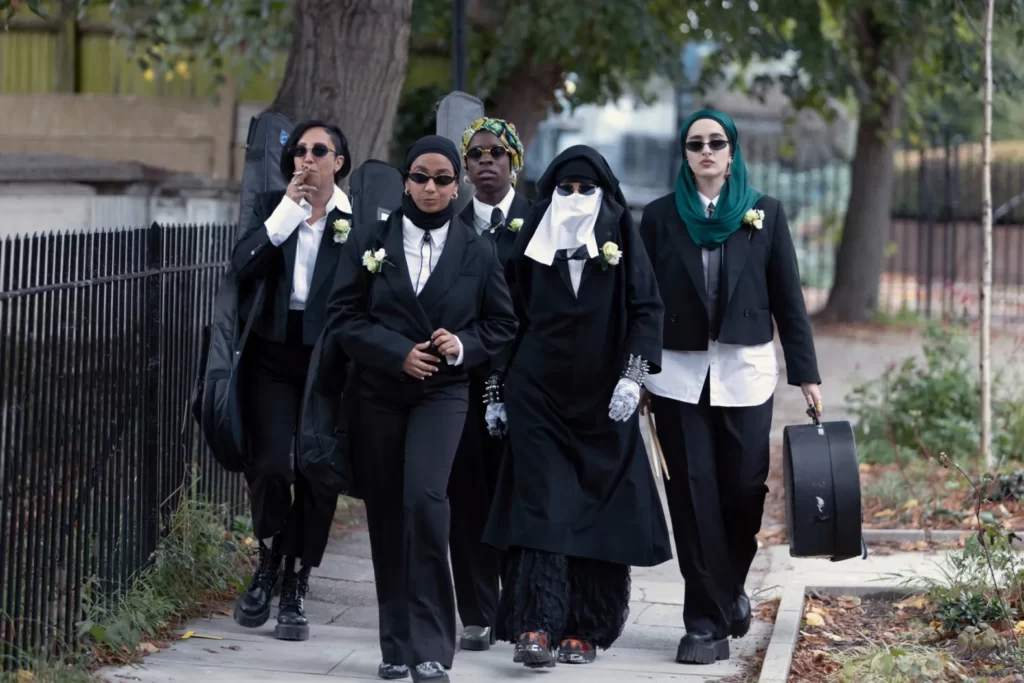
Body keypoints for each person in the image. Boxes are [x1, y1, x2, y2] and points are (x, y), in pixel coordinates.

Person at [325, 135, 518, 682]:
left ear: (457, 186)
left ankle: (432, 645)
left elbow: (501, 324)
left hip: (443, 394)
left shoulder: (476, 249)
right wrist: (396, 354)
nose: (430, 188)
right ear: (406, 181)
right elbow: (343, 317)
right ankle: (396, 644)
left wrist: (461, 346)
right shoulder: (371, 239)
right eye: (420, 177)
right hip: (379, 394)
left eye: (441, 179)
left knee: (427, 502)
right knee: (388, 512)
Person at [637, 109, 822, 665]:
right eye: (696, 143)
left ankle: (729, 588)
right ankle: (703, 623)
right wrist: (637, 371)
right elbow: (641, 301)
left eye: (716, 142)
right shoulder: (659, 216)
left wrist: (806, 373)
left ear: (732, 152)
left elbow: (788, 296)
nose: (706, 151)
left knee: (743, 490)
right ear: (685, 154)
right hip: (677, 375)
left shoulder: (766, 212)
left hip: (746, 373)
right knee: (691, 496)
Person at [481, 145, 672, 669]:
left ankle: (585, 627)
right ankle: (535, 624)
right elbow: (506, 315)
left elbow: (646, 307)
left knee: (598, 510)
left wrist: (633, 376)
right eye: (565, 189)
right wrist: (496, 390)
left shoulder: (621, 235)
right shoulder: (530, 239)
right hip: (538, 393)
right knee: (541, 503)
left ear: (605, 194)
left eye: (587, 189)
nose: (575, 197)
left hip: (604, 398)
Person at [229, 120, 354, 641]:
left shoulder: (356, 221)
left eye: (319, 150)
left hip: (328, 360)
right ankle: (269, 560)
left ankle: (297, 582)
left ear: (338, 162)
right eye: (300, 150)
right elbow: (243, 266)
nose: (307, 158)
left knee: (317, 470)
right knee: (270, 465)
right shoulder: (270, 207)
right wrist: (287, 211)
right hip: (273, 354)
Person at [448, 117, 531, 652]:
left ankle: (521, 607)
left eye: (496, 153)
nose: (485, 162)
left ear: (513, 162)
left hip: (527, 382)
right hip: (465, 380)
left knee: (521, 494)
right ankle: (478, 612)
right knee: (468, 496)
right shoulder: (452, 227)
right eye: (476, 154)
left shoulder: (539, 222)